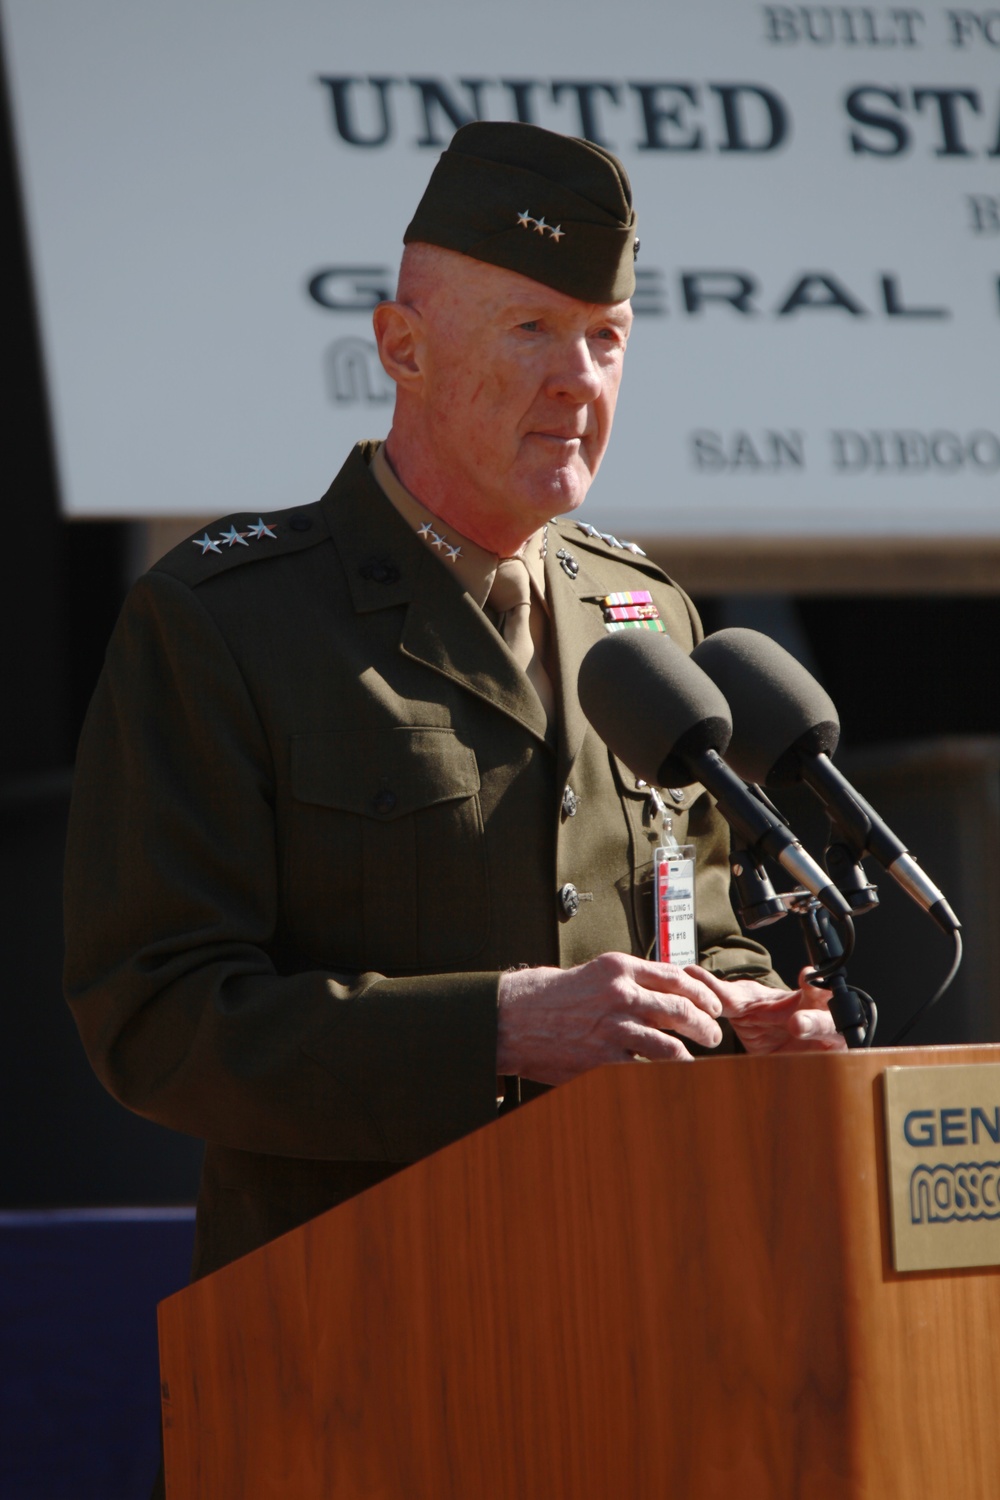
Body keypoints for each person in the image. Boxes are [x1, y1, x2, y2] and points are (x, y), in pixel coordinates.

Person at [64, 122, 843, 1287]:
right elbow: (157, 1020)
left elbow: (699, 924)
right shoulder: (225, 622)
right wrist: (496, 1026)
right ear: (402, 347)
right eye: (530, 329)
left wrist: (752, 1014)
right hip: (367, 1321)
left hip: (646, 1286)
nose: (578, 377)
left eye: (605, 337)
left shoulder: (647, 617)